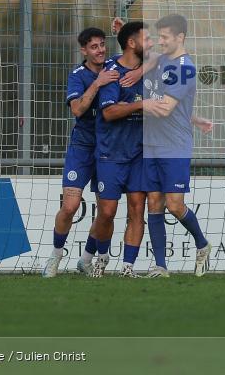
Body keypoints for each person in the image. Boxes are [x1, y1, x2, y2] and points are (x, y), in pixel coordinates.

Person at [42, 28, 119, 278]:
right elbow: (77, 109)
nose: (100, 50)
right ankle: (55, 256)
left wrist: (122, 32)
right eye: (94, 47)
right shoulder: (77, 76)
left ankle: (87, 259)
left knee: (106, 211)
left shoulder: (114, 66)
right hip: (82, 148)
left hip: (108, 148)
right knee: (70, 206)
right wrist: (97, 83)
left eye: (102, 45)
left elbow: (138, 57)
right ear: (84, 50)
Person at [142, 14, 213, 277]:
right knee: (154, 204)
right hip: (150, 145)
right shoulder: (160, 60)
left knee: (174, 205)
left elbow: (165, 109)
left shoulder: (184, 67)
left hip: (175, 147)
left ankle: (202, 244)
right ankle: (160, 266)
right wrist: (194, 118)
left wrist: (127, 108)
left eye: (164, 37)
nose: (160, 42)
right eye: (158, 37)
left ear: (180, 38)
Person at [90, 21, 150, 278]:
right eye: (146, 39)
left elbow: (174, 58)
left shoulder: (150, 69)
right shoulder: (111, 73)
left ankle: (128, 268)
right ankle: (101, 260)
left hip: (138, 153)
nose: (152, 44)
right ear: (131, 44)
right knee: (107, 211)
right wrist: (140, 105)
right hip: (110, 153)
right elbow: (109, 112)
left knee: (137, 208)